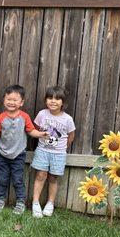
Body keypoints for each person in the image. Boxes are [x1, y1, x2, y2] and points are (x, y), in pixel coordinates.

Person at [0, 84, 48, 214]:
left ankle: (20, 202)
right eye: (9, 99)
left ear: (21, 102)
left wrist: (41, 134)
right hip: (2, 154)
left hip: (18, 154)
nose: (11, 102)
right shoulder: (0, 118)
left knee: (18, 179)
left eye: (15, 100)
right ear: (4, 100)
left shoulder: (24, 117)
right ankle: (0, 200)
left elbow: (31, 131)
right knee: (2, 178)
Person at [31, 86, 75, 218]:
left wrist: (63, 148)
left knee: (53, 177)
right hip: (42, 150)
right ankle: (35, 202)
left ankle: (50, 203)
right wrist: (40, 134)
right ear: (46, 100)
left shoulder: (67, 119)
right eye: (50, 98)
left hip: (59, 153)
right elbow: (35, 129)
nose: (53, 101)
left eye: (57, 99)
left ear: (63, 102)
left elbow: (71, 135)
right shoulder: (42, 114)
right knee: (41, 175)